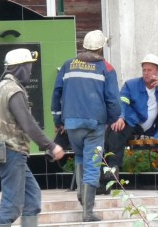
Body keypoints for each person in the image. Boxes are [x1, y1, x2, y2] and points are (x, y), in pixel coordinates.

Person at [0, 48, 65, 227]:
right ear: (19, 68)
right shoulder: (14, 90)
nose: (31, 70)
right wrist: (51, 146)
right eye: (29, 65)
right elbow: (28, 123)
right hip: (12, 151)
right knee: (12, 206)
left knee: (32, 198)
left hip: (3, 150)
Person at [51, 30, 121, 223]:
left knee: (81, 156)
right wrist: (112, 119)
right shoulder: (106, 68)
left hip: (71, 123)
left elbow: (56, 94)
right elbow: (114, 100)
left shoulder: (67, 65)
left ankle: (82, 195)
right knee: (92, 164)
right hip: (95, 124)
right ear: (101, 48)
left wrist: (59, 121)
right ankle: (88, 211)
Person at [104, 53, 158, 179]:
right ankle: (111, 169)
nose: (146, 72)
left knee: (115, 131)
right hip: (131, 121)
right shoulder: (131, 84)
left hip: (146, 129)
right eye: (144, 69)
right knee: (113, 130)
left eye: (150, 70)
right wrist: (121, 117)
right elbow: (122, 101)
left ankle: (109, 170)